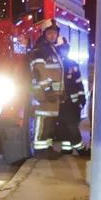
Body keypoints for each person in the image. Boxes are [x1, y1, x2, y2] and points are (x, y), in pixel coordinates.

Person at [27, 19, 64, 159]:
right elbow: (39, 71)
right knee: (42, 121)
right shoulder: (40, 50)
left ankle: (47, 147)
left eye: (55, 33)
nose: (53, 36)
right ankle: (40, 149)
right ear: (44, 34)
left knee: (49, 123)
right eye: (50, 33)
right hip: (43, 94)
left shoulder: (51, 49)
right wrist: (47, 89)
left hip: (52, 95)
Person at [55, 37, 89, 157]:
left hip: (73, 103)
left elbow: (79, 82)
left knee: (69, 125)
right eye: (61, 49)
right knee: (68, 126)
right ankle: (81, 149)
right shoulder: (54, 63)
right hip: (61, 102)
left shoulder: (72, 64)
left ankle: (66, 149)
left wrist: (82, 98)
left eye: (65, 49)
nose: (64, 51)